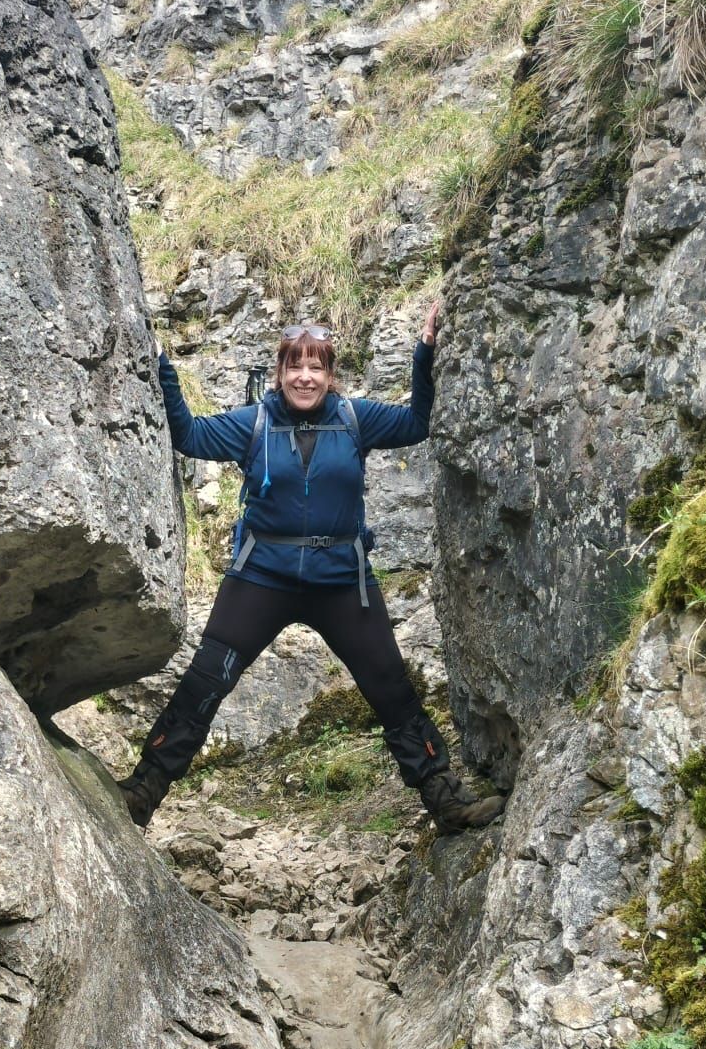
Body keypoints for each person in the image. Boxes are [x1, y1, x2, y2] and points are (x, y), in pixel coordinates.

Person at [118, 305, 504, 834]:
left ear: (330, 374)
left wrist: (425, 350)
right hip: (262, 576)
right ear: (279, 373)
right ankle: (142, 793)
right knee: (205, 681)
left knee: (391, 688)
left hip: (342, 581)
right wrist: (163, 366)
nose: (305, 377)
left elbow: (417, 422)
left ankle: (447, 802)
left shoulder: (354, 418)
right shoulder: (254, 423)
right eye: (295, 366)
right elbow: (189, 435)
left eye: (316, 367)